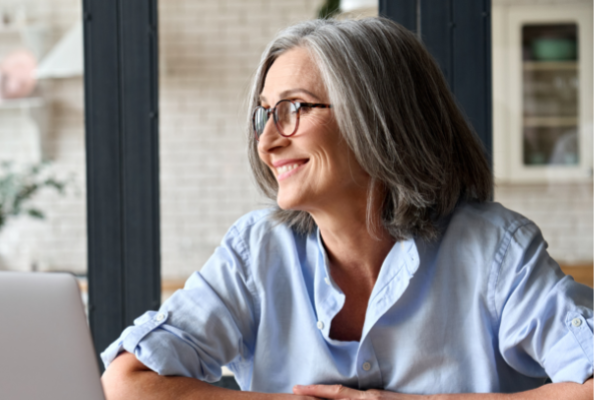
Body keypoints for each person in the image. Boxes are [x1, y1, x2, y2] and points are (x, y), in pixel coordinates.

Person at [100, 18, 594, 399]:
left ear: (378, 116)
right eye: (263, 115)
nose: (268, 141)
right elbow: (128, 380)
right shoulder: (257, 249)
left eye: (293, 109)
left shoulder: (495, 250)